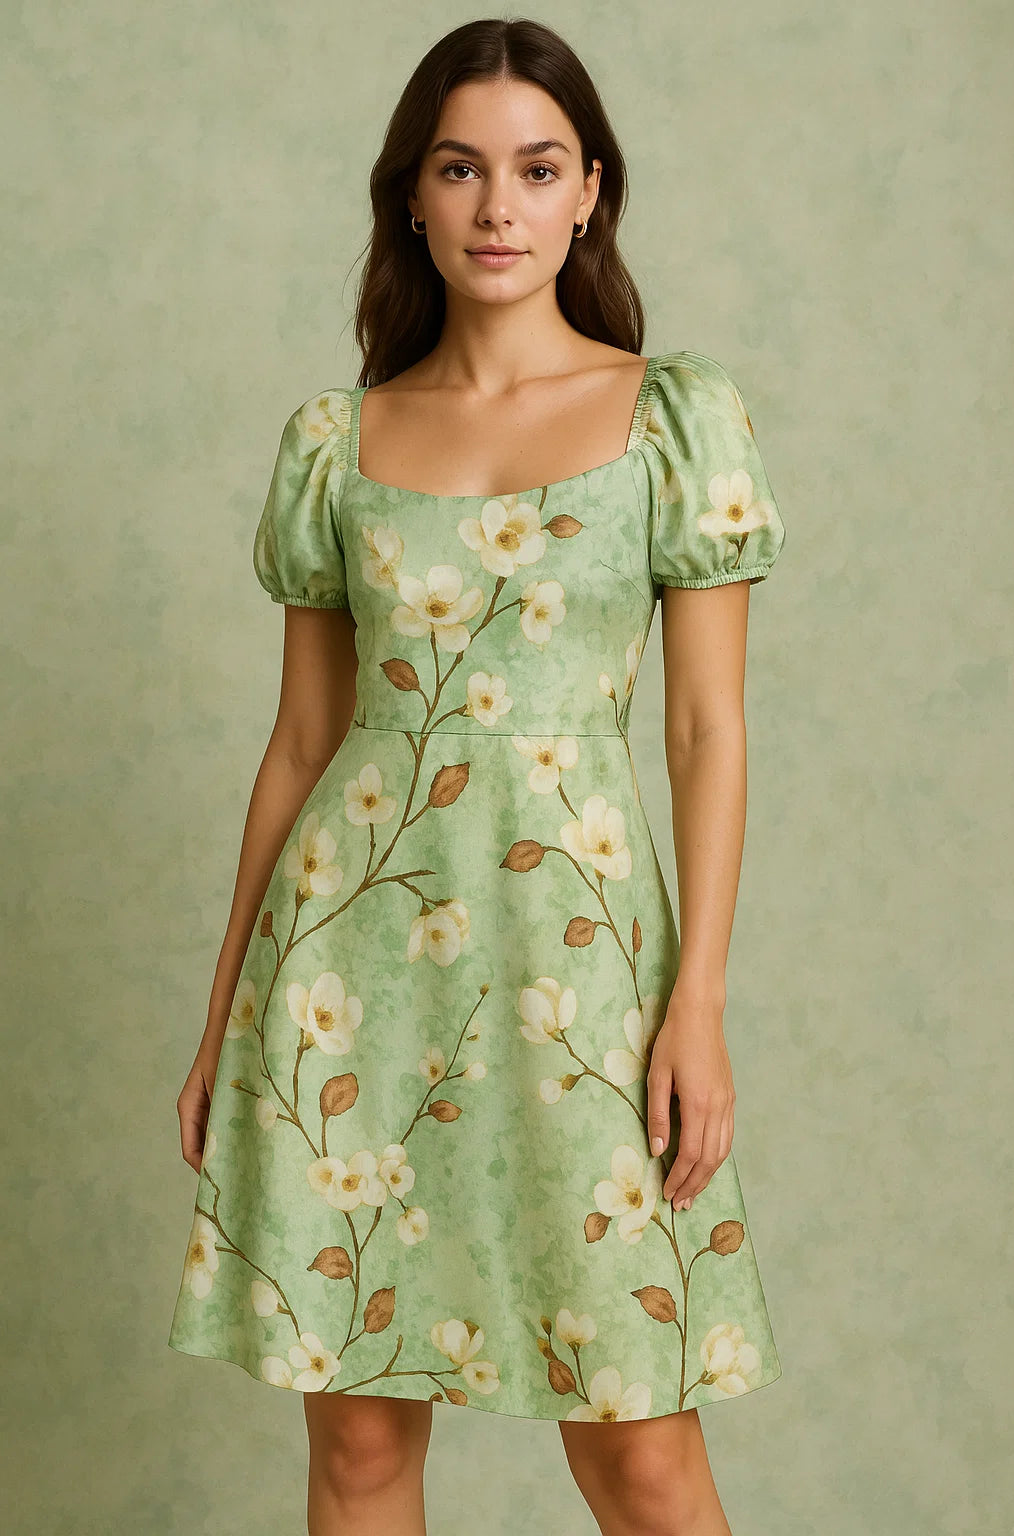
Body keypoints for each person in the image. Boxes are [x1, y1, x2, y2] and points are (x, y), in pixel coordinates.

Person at [169, 17, 787, 1536]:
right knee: (360, 1449)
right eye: (460, 170)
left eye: (537, 168)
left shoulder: (673, 418)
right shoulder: (336, 441)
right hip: (348, 974)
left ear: (590, 194)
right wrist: (224, 1019)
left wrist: (698, 1004)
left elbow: (706, 733)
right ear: (412, 198)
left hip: (581, 977)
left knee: (639, 1454)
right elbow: (302, 744)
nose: (498, 206)